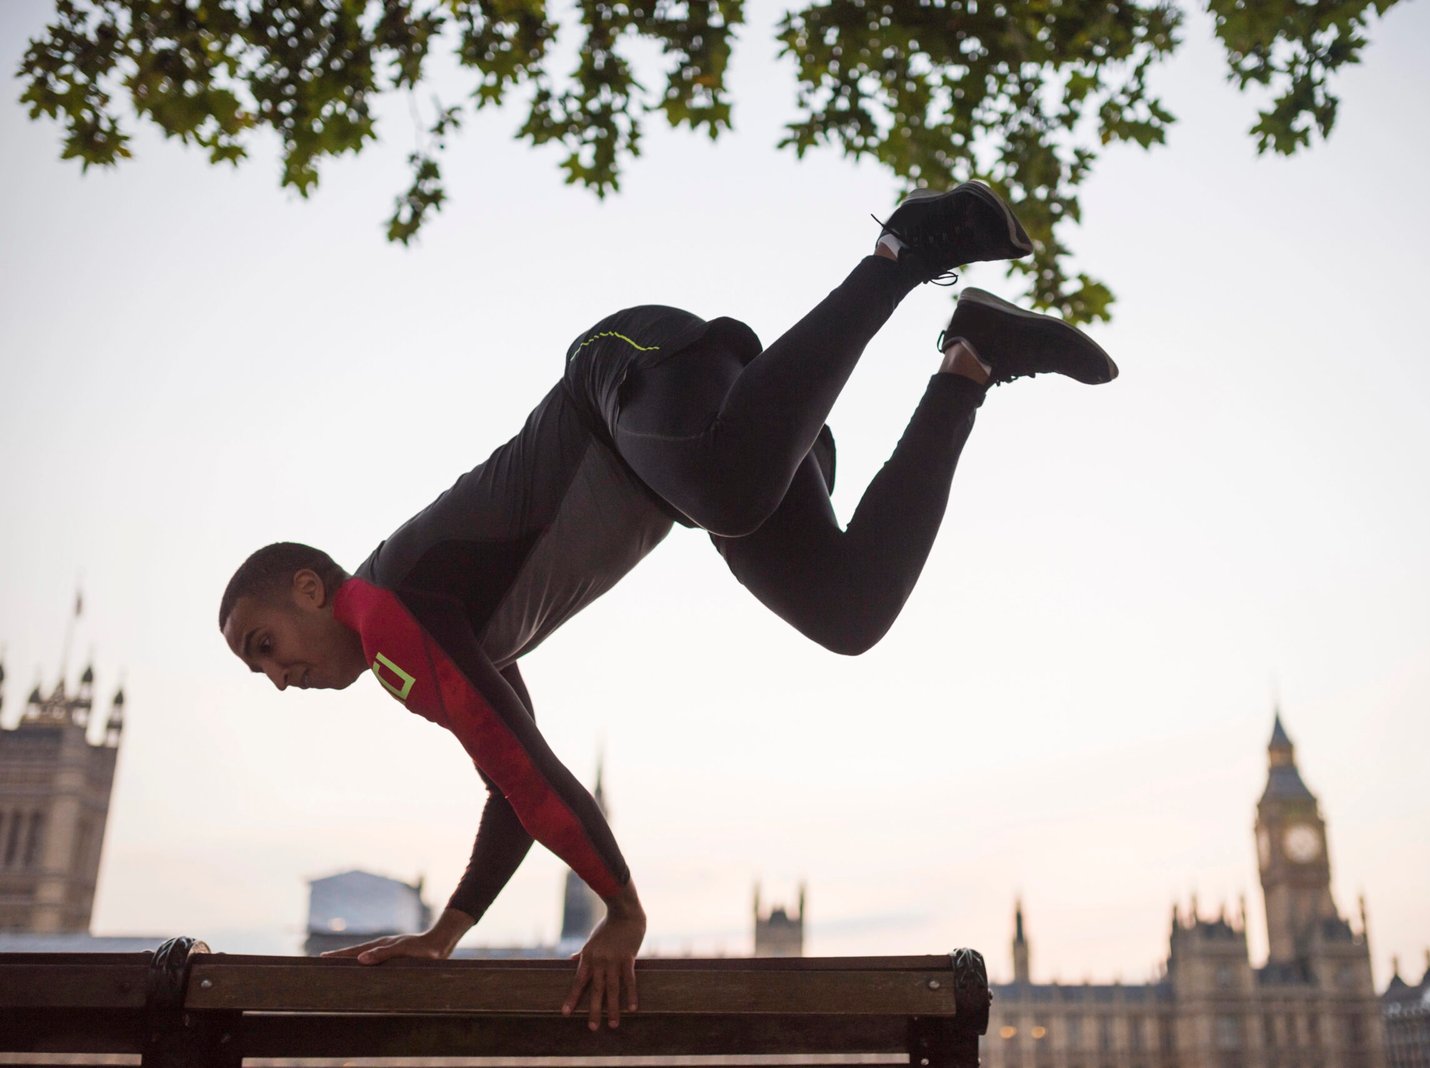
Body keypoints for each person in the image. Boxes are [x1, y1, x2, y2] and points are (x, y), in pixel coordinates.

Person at [217, 181, 1117, 1032]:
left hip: (628, 387)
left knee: (729, 490)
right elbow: (513, 783)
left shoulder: (389, 616)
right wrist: (445, 933)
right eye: (260, 668)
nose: (277, 675)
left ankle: (904, 250)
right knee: (849, 613)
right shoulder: (428, 626)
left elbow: (519, 765)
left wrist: (621, 906)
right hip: (699, 458)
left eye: (264, 644)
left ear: (310, 589)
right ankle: (974, 360)